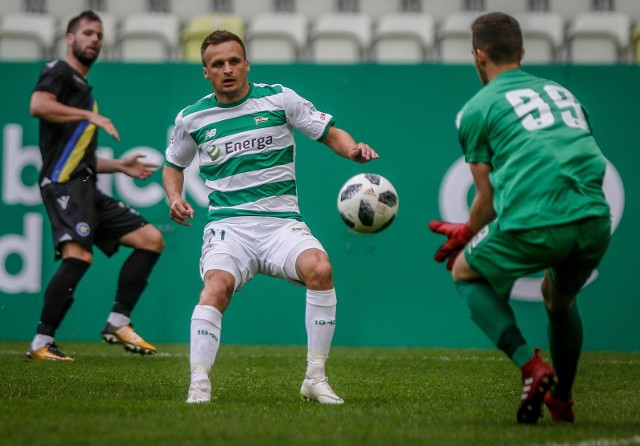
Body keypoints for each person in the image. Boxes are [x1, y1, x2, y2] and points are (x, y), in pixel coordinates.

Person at [162, 30, 379, 404]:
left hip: (282, 223)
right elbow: (172, 165)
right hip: (229, 226)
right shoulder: (191, 118)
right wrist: (174, 196)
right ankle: (199, 383)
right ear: (206, 73)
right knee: (216, 287)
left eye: (234, 61)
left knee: (321, 270)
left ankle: (315, 378)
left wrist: (353, 151)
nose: (227, 69)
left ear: (247, 64)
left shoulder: (279, 98)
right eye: (218, 64)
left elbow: (328, 133)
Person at [429, 12, 611, 424]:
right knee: (558, 300)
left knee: (464, 272)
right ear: (522, 52)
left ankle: (532, 369)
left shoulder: (477, 109)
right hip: (595, 219)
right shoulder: (564, 94)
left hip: (538, 221)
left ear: (478, 56)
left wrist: (467, 232)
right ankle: (562, 399)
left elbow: (487, 198)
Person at [27, 10, 164, 361]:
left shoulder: (84, 89)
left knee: (150, 240)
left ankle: (118, 321)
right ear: (70, 38)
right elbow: (38, 104)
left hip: (83, 183)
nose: (94, 40)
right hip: (62, 184)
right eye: (87, 33)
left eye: (98, 35)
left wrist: (119, 166)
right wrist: (89, 115)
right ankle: (42, 341)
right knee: (80, 255)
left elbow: (83, 160)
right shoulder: (59, 71)